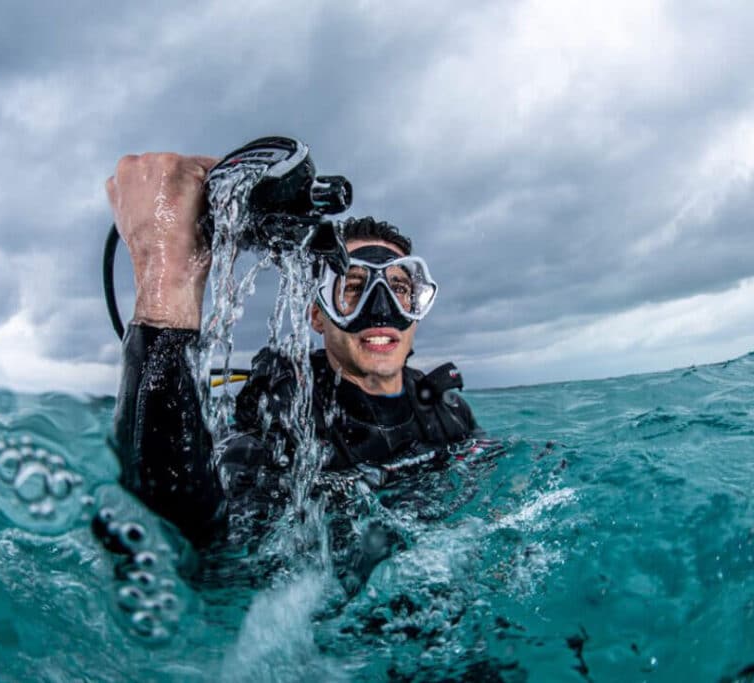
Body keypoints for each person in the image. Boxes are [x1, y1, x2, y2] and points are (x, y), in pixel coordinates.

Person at [104, 152, 484, 550]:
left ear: (418, 310)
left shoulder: (448, 413)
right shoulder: (283, 423)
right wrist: (168, 284)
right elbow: (188, 539)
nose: (381, 311)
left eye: (400, 289)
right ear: (318, 315)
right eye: (353, 288)